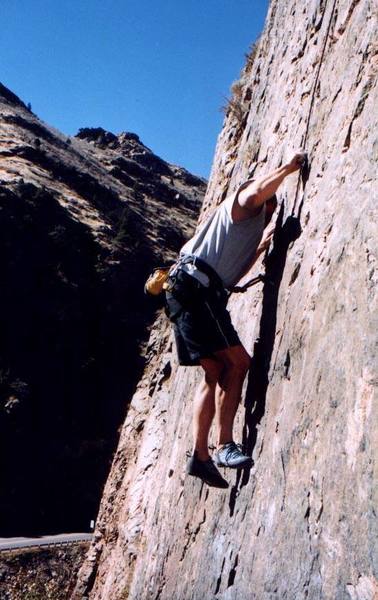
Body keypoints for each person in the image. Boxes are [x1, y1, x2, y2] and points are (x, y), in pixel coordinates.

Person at [165, 152, 307, 488]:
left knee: (214, 371)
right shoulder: (244, 203)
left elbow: (231, 275)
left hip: (186, 290)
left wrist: (263, 246)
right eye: (271, 206)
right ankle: (224, 445)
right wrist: (288, 168)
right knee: (239, 363)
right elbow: (257, 189)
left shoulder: (244, 230)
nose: (270, 210)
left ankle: (200, 456)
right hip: (198, 292)